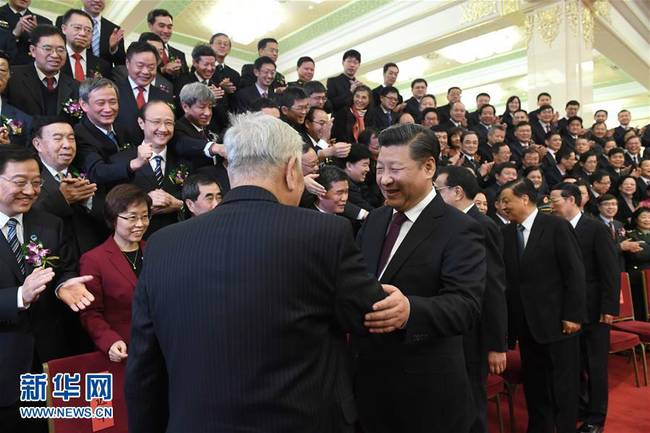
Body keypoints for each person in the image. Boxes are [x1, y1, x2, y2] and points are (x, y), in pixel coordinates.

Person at [125, 112, 410, 433]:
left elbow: (144, 369)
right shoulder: (325, 234)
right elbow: (371, 317)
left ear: (231, 168)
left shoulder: (162, 245)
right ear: (291, 171)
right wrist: (399, 306)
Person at [354, 123, 486, 433]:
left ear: (428, 167)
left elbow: (466, 305)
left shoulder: (460, 228)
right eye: (380, 168)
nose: (385, 179)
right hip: (366, 388)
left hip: (426, 394)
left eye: (395, 169)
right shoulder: (375, 220)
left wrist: (410, 311)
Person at [0, 146, 95, 432]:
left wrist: (63, 285)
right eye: (20, 182)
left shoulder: (49, 223)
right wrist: (19, 296)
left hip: (49, 357)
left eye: (36, 182)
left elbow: (65, 267)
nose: (30, 191)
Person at [499, 177, 586, 433]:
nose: (503, 206)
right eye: (501, 202)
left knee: (562, 385)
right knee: (535, 385)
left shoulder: (555, 226)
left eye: (506, 201)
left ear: (524, 198)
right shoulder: (506, 233)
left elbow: (574, 273)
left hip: (558, 323)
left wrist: (573, 315)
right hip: (526, 327)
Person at [435, 165, 508, 433]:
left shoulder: (481, 225)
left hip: (474, 333)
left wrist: (497, 344)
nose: (434, 196)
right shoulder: (448, 223)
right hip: (452, 329)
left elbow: (494, 286)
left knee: (472, 403)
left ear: (457, 192)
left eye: (438, 190)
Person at [549, 182, 619, 433]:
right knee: (573, 364)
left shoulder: (595, 228)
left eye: (554, 200)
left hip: (594, 310)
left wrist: (609, 308)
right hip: (566, 311)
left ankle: (595, 418)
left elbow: (610, 271)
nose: (550, 205)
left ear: (571, 200)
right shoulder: (554, 228)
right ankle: (578, 406)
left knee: (595, 366)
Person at [79, 184, 151, 363]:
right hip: (124, 349)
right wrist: (109, 341)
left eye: (144, 216)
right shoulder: (94, 259)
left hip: (162, 343)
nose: (140, 224)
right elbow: (90, 313)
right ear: (113, 219)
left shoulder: (155, 250)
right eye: (132, 218)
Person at [31, 116, 105, 256]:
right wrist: (62, 198)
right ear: (38, 144)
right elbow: (27, 217)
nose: (67, 145)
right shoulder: (29, 178)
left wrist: (88, 202)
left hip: (91, 256)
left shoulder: (86, 172)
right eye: (58, 138)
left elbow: (108, 217)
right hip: (53, 258)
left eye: (71, 138)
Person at [74, 78, 153, 189]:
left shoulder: (123, 126)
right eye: (100, 103)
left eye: (113, 102)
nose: (108, 109)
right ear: (84, 105)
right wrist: (133, 164)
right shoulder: (79, 134)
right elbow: (97, 172)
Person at [5, 25, 80, 117]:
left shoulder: (75, 86)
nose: (55, 55)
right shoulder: (12, 77)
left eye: (60, 50)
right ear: (33, 50)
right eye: (48, 49)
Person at [114, 41, 174, 145]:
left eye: (151, 67)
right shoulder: (114, 92)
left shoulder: (164, 97)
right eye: (140, 66)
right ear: (128, 63)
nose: (145, 72)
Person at [60, 9, 111, 82]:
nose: (83, 34)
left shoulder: (103, 66)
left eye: (88, 30)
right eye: (77, 28)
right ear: (64, 29)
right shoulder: (54, 58)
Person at [0, 0, 52, 65]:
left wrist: (37, 34)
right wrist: (14, 34)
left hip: (28, 68)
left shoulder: (44, 23)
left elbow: (49, 51)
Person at [0, 51, 32, 147]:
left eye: (2, 70)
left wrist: (9, 147)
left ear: (9, 75)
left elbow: (28, 152)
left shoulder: (24, 120)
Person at [147, 9, 188, 82]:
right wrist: (163, 70)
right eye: (161, 26)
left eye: (169, 27)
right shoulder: (139, 49)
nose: (166, 31)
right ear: (150, 26)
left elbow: (186, 82)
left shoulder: (180, 54)